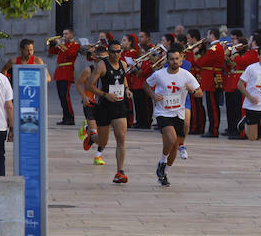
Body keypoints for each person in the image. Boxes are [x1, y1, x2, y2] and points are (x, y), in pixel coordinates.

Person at [144, 45, 202, 186]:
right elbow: (146, 84)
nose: (174, 61)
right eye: (171, 59)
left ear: (181, 59)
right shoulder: (159, 74)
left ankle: (164, 172)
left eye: (177, 59)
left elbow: (199, 93)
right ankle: (162, 161)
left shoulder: (186, 75)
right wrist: (153, 95)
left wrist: (192, 91)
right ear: (167, 60)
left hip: (178, 114)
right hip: (163, 112)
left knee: (175, 146)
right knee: (171, 138)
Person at [86, 41, 132, 183]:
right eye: (112, 51)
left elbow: (123, 79)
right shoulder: (102, 65)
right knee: (102, 141)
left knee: (121, 138)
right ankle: (91, 135)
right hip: (104, 107)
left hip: (119, 106)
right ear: (108, 51)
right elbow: (90, 85)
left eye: (118, 51)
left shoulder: (124, 64)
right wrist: (105, 95)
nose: (115, 54)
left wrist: (127, 89)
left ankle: (120, 172)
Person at [193, 29, 225, 137]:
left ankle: (214, 130)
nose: (207, 36)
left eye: (208, 34)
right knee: (212, 106)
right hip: (212, 78)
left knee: (213, 106)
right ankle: (212, 129)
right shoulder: (216, 47)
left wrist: (196, 53)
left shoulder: (213, 49)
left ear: (212, 35)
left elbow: (201, 63)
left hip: (211, 79)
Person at [76, 45, 105, 160]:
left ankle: (98, 155)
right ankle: (89, 130)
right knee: (95, 132)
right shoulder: (88, 70)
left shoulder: (108, 70)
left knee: (103, 133)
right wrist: (84, 97)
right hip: (90, 103)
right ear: (94, 57)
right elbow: (78, 84)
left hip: (104, 104)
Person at [47, 28, 80, 125]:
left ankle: (70, 117)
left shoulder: (75, 45)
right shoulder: (63, 46)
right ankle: (65, 117)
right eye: (63, 34)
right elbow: (52, 52)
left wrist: (60, 44)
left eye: (66, 34)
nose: (64, 36)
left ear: (71, 35)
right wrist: (52, 44)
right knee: (61, 97)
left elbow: (70, 54)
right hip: (59, 72)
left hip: (67, 72)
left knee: (65, 96)